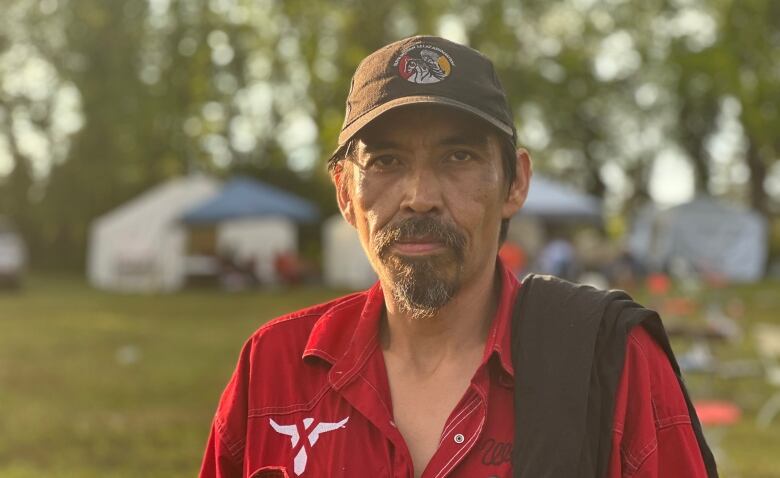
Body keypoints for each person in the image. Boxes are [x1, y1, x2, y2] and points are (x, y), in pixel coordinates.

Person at [200, 36, 715, 478]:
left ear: (515, 183)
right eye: (385, 160)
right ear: (344, 194)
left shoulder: (611, 364)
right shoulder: (273, 370)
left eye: (458, 157)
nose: (419, 195)